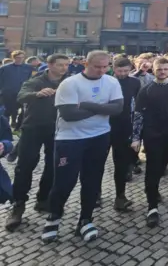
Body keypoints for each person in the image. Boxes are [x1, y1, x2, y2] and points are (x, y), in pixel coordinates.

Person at [41, 51, 124, 244]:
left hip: (99, 136)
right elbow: (69, 114)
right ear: (86, 63)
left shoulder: (111, 82)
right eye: (97, 67)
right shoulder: (70, 83)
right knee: (64, 181)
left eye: (106, 67)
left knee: (93, 180)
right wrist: (101, 107)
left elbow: (118, 108)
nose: (102, 70)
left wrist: (87, 105)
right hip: (70, 138)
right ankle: (54, 217)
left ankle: (85, 219)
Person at [5, 54, 69, 231]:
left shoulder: (69, 81)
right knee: (25, 166)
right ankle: (18, 205)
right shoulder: (36, 80)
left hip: (58, 129)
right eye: (60, 65)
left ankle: (43, 199)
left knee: (53, 166)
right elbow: (22, 95)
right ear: (49, 65)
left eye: (66, 65)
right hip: (33, 128)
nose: (64, 68)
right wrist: (37, 94)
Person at [131, 57, 168, 227]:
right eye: (159, 69)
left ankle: (152, 188)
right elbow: (138, 115)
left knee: (162, 165)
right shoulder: (146, 90)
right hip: (152, 132)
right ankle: (152, 206)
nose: (162, 72)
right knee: (153, 166)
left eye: (165, 69)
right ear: (153, 70)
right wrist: (136, 138)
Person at [110, 57, 141, 212]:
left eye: (126, 71)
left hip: (125, 126)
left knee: (120, 163)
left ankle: (120, 196)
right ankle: (96, 194)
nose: (122, 74)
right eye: (119, 71)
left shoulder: (135, 82)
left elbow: (139, 103)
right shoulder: (107, 81)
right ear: (113, 69)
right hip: (105, 126)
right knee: (96, 163)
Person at [0, 50, 34, 128]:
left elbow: (31, 79)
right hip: (8, 93)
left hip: (23, 92)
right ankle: (5, 127)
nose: (20, 59)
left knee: (23, 110)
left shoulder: (28, 68)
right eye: (18, 58)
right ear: (13, 58)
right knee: (7, 110)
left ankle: (18, 126)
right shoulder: (5, 68)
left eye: (22, 57)